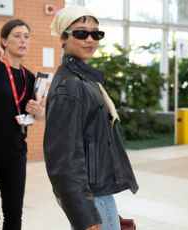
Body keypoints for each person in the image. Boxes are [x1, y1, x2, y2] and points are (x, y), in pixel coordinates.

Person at [43, 5, 139, 230]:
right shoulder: (70, 86)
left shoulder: (85, 79)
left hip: (95, 190)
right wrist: (86, 214)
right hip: (90, 194)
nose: (90, 40)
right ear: (63, 38)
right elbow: (63, 158)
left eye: (96, 33)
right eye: (81, 33)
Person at [0, 19, 44, 230]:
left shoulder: (30, 77)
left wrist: (38, 112)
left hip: (15, 154)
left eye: (27, 36)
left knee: (14, 216)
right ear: (4, 41)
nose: (23, 40)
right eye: (17, 35)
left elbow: (35, 116)